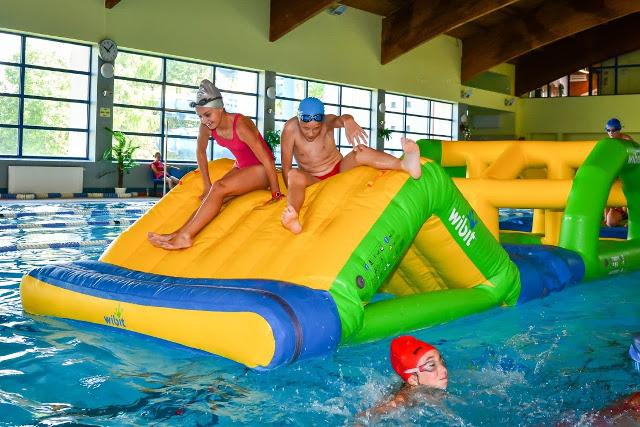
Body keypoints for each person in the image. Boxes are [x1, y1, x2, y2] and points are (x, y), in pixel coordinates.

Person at [148, 79, 283, 250]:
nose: (204, 120)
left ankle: (185, 236)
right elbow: (200, 151)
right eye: (200, 116)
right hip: (241, 167)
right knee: (212, 194)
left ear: (220, 108)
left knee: (218, 187)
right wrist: (206, 185)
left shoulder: (241, 124)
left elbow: (267, 159)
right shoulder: (206, 126)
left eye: (207, 115)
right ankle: (178, 233)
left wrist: (275, 192)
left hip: (261, 170)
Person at [279, 97, 422, 234]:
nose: (311, 133)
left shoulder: (327, 121)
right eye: (306, 128)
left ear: (322, 122)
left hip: (339, 170)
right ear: (298, 120)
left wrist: (348, 120)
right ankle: (293, 215)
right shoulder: (290, 129)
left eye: (316, 128)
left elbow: (340, 119)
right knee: (293, 174)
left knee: (360, 151)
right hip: (314, 179)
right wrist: (291, 195)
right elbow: (286, 167)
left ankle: (404, 164)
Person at [360, 336, 448, 419]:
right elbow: (365, 415)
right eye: (431, 365)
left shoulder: (429, 386)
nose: (444, 369)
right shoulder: (405, 399)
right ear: (413, 379)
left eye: (441, 360)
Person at [604, 118, 634, 227]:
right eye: (608, 130)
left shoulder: (627, 140)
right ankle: (622, 215)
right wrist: (605, 217)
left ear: (619, 130)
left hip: (628, 175)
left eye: (614, 130)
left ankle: (632, 220)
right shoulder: (607, 143)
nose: (611, 133)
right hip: (617, 179)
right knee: (610, 222)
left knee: (631, 191)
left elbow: (633, 159)